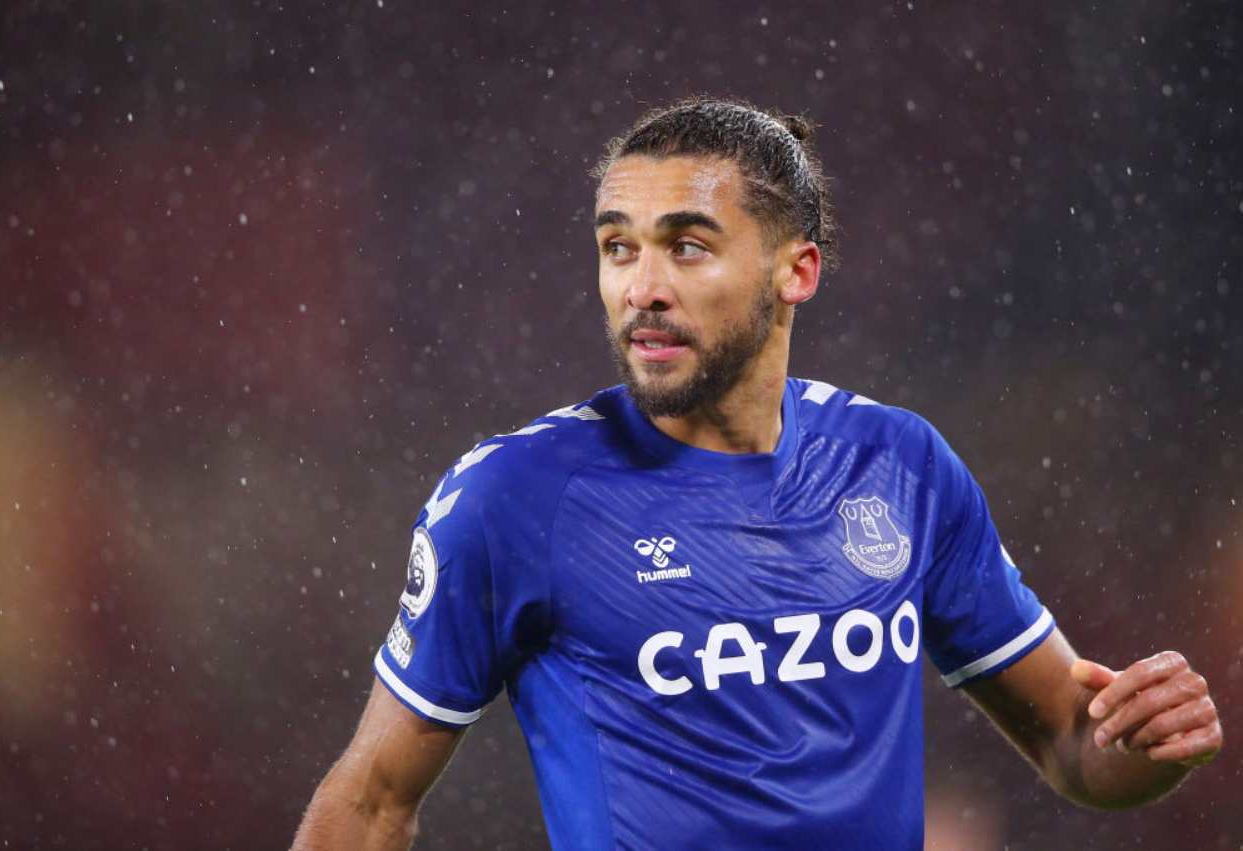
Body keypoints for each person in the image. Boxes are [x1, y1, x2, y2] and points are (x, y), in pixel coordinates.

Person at [291, 97, 1222, 850]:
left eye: (687, 246)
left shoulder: (899, 464)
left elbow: (1070, 742)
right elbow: (370, 801)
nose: (641, 287)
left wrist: (1148, 745)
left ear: (796, 272)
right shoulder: (516, 498)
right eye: (619, 246)